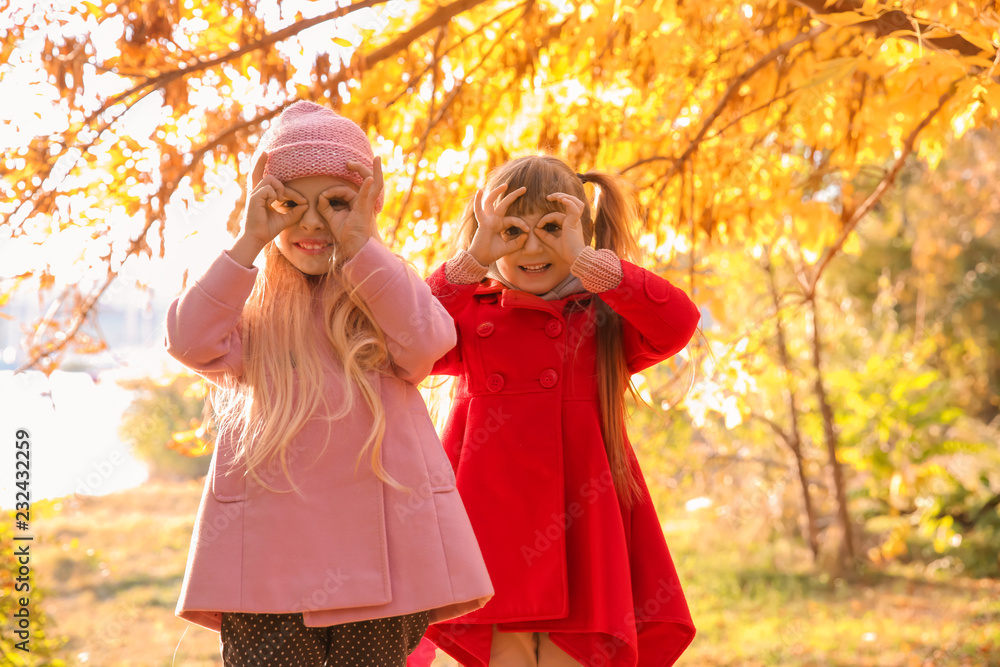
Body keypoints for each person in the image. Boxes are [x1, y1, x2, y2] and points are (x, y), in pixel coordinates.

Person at [165, 101, 493, 666]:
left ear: (368, 207)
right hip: (268, 569)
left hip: (385, 559)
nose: (314, 224)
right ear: (262, 205)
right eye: (289, 204)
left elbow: (427, 342)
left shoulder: (385, 291)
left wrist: (362, 248)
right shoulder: (253, 307)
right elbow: (188, 342)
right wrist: (249, 241)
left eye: (338, 203)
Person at [421, 155, 699, 666]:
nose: (531, 247)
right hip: (491, 529)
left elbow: (678, 322)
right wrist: (471, 260)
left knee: (574, 651)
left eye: (551, 229)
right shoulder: (469, 313)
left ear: (581, 232)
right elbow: (404, 341)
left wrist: (588, 262)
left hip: (582, 527)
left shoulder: (605, 315)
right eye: (510, 230)